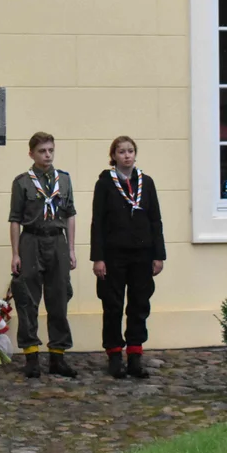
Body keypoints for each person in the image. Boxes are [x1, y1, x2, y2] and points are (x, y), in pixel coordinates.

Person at [90, 136, 166, 379]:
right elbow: (97, 222)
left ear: (135, 154)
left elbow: (155, 220)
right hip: (113, 255)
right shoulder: (105, 184)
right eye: (121, 151)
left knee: (139, 305)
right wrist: (98, 258)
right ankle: (114, 355)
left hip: (142, 255)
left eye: (130, 151)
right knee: (112, 305)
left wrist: (158, 254)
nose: (126, 155)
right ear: (113, 156)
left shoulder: (147, 182)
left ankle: (135, 355)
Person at [9, 132, 78, 379]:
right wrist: (15, 253)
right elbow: (15, 220)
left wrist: (71, 248)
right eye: (42, 151)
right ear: (31, 154)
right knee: (28, 299)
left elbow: (70, 214)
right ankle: (31, 355)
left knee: (59, 297)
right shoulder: (22, 182)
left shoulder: (64, 180)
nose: (47, 155)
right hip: (31, 240)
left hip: (56, 241)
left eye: (50, 150)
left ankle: (58, 355)